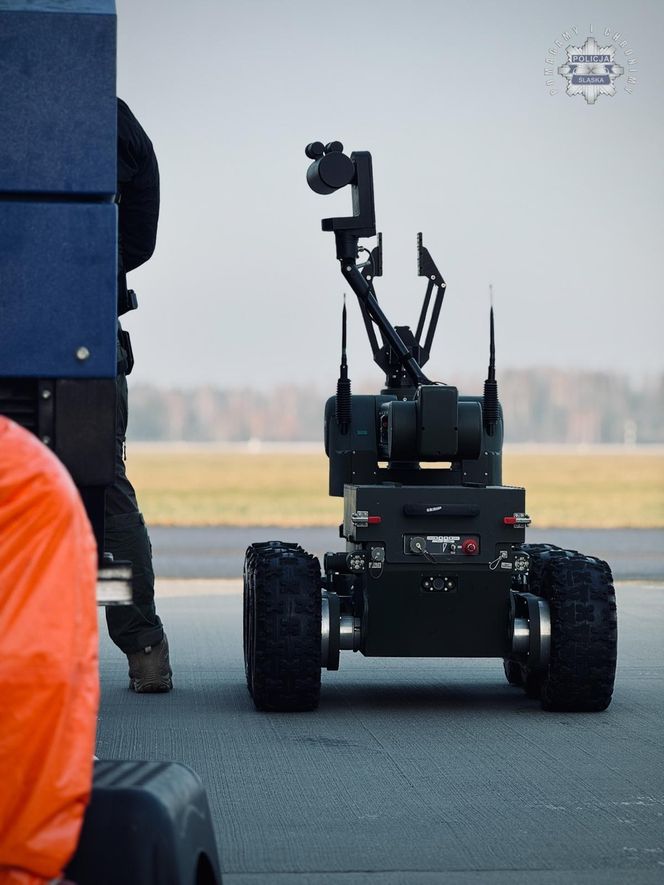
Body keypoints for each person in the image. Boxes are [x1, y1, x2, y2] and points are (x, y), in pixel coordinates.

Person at [103, 98, 172, 692]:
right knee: (105, 500)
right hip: (84, 336)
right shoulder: (112, 116)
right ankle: (142, 647)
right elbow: (139, 242)